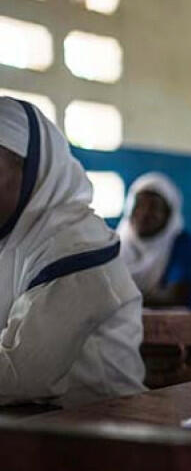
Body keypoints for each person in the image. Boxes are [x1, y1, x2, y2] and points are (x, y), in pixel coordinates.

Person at [0, 97, 145, 407]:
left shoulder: (76, 245)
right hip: (39, 425)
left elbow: (23, 375)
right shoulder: (13, 241)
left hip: (109, 428)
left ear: (33, 172)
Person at [118, 173, 191, 308]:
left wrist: (117, 300)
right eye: (139, 205)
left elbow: (175, 295)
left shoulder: (183, 244)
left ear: (169, 214)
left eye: (154, 207)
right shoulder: (116, 244)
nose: (144, 214)